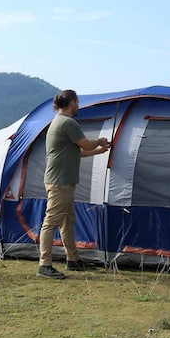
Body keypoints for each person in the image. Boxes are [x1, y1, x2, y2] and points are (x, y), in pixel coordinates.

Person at [37, 89, 110, 279]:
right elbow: (85, 144)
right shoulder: (68, 123)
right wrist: (100, 141)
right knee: (51, 222)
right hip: (59, 182)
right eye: (77, 103)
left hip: (64, 181)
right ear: (71, 103)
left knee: (67, 222)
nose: (78, 106)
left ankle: (73, 259)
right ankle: (44, 265)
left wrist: (98, 151)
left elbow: (75, 152)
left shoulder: (58, 122)